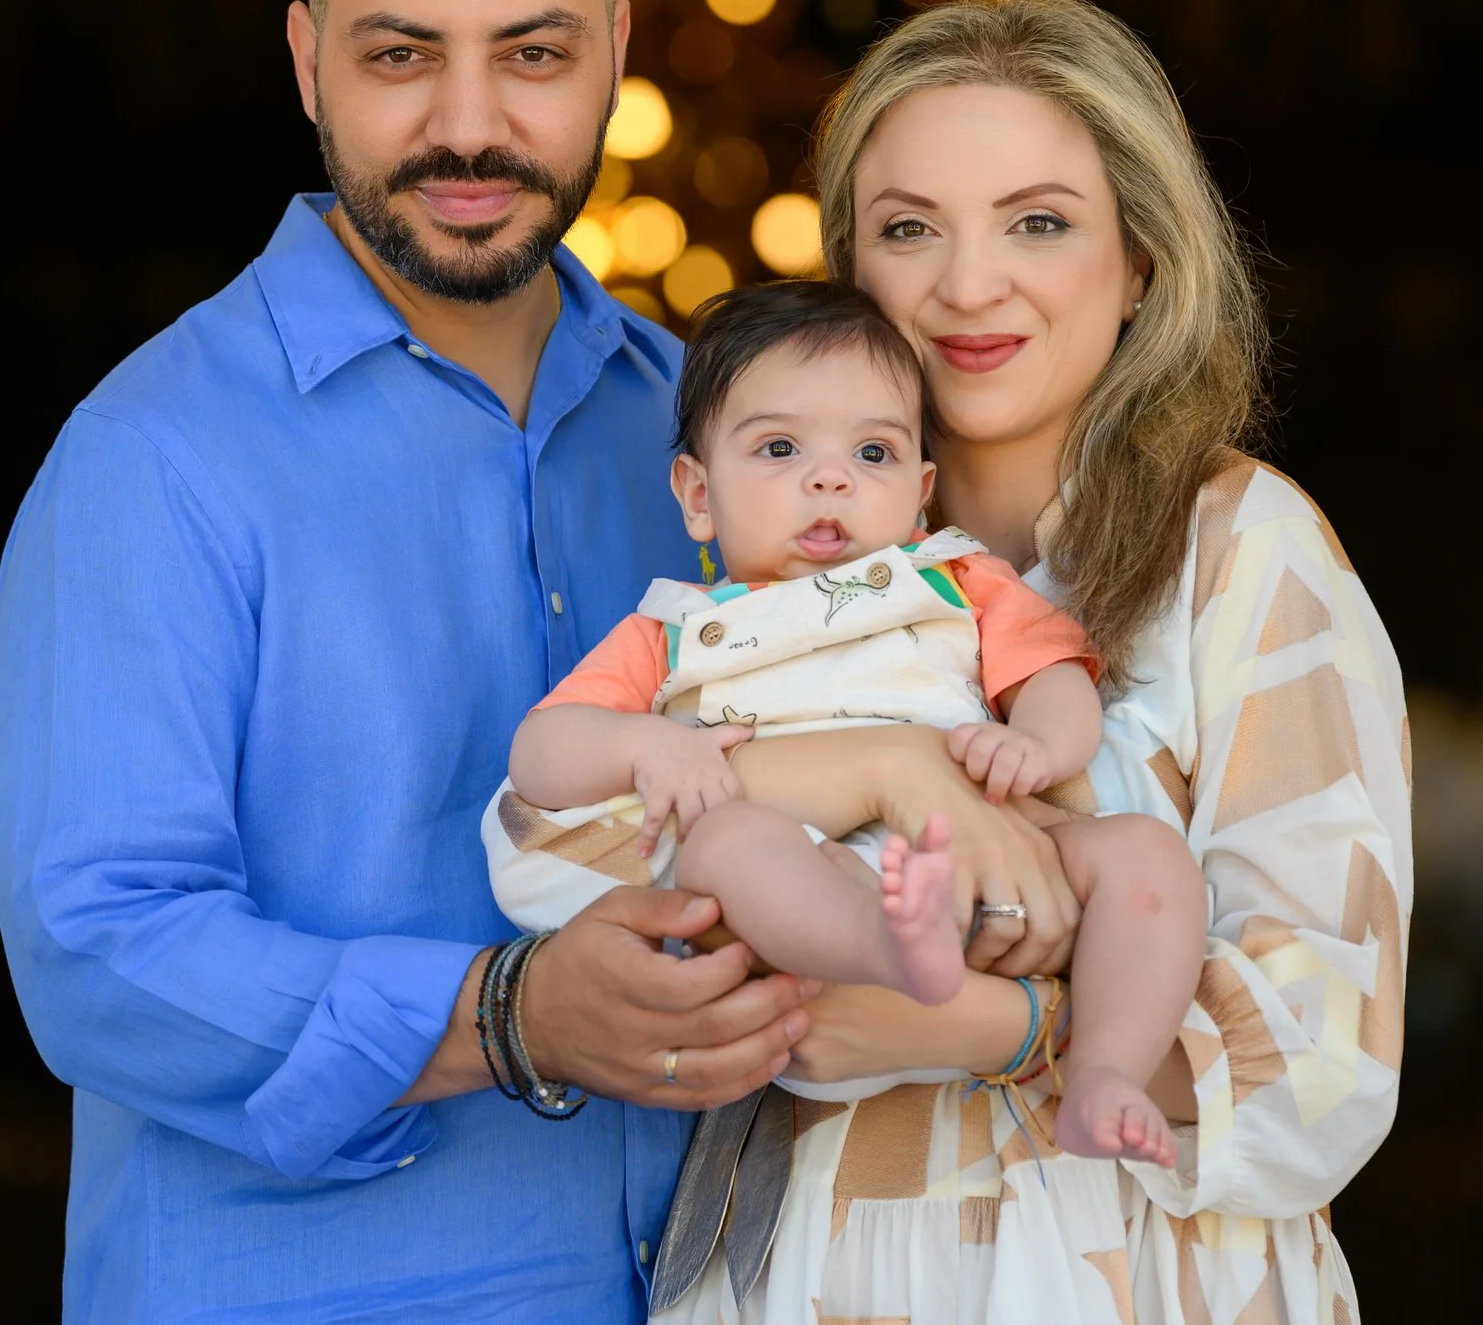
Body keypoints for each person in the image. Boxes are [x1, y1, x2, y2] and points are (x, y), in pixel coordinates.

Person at [507, 0, 1483, 1325]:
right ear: (842, 260)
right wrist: (863, 774)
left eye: (1037, 219)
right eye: (906, 227)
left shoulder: (1237, 550)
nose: (970, 284)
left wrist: (1003, 1034)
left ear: (1139, 254)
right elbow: (562, 852)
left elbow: (1332, 1030)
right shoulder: (753, 588)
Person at [0, 0, 833, 1325]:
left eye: (531, 52)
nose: (470, 122)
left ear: (619, 56)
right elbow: (95, 942)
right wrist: (512, 1014)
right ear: (305, 64)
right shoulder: (154, 455)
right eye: (400, 55)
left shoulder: (703, 441)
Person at [496, 278, 1207, 1165]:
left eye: (872, 453)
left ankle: (1104, 1070)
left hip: (981, 855)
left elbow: (1054, 674)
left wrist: (1034, 743)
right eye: (780, 447)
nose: (829, 477)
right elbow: (540, 756)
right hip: (811, 918)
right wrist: (644, 742)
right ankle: (884, 940)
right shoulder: (672, 628)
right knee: (724, 845)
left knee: (1144, 852)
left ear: (920, 491)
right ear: (698, 496)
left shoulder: (954, 578)